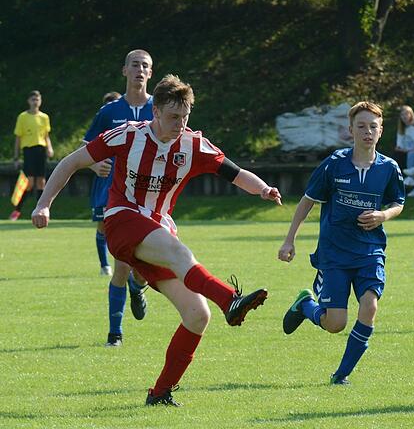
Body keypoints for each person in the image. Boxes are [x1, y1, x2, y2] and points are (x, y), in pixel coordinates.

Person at [31, 74, 282, 406]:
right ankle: (229, 299)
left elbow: (235, 174)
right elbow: (71, 162)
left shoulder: (193, 145)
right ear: (156, 113)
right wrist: (44, 203)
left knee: (197, 314)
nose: (180, 124)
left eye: (185, 117)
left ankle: (160, 392)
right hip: (121, 220)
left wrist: (263, 189)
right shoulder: (128, 136)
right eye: (173, 117)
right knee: (177, 250)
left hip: (158, 230)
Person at [279, 101, 404, 386]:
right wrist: (289, 240)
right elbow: (308, 201)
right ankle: (306, 305)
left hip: (369, 251)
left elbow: (398, 202)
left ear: (381, 130)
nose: (367, 132)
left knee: (370, 306)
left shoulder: (388, 168)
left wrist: (383, 214)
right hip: (334, 254)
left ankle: (341, 375)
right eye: (361, 126)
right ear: (350, 130)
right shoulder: (334, 164)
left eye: (373, 126)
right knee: (335, 324)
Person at [82, 50, 156, 347]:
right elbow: (86, 149)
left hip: (152, 198)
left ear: (151, 73)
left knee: (142, 270)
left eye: (145, 66)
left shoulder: (160, 109)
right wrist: (93, 164)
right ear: (124, 70)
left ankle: (139, 287)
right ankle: (115, 333)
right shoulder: (109, 112)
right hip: (117, 197)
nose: (140, 69)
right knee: (122, 264)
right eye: (135, 64)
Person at [10, 91, 53, 221]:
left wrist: (49, 148)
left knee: (41, 182)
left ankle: (40, 210)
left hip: (41, 150)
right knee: (28, 182)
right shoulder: (23, 117)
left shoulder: (44, 117)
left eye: (37, 99)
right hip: (29, 150)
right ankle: (17, 211)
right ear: (29, 101)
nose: (35, 102)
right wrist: (16, 157)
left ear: (40, 101)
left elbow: (46, 135)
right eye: (33, 99)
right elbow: (18, 137)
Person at [394, 105, 414, 189]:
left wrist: (408, 150)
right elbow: (398, 147)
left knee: (412, 155)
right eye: (402, 115)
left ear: (411, 114)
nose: (404, 116)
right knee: (397, 157)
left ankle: (412, 180)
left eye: (406, 114)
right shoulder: (401, 129)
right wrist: (405, 150)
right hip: (407, 153)